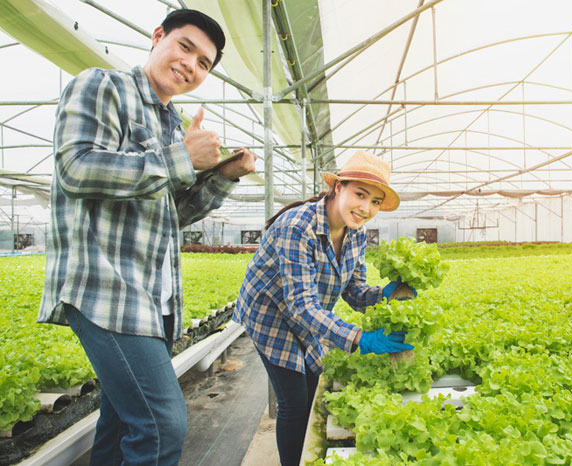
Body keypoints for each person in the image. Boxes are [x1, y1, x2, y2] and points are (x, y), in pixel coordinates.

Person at [37, 9, 256, 465]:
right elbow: (75, 169)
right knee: (162, 423)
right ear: (158, 37)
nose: (191, 65)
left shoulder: (173, 123)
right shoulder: (102, 86)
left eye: (204, 64)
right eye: (185, 47)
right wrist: (180, 157)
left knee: (120, 425)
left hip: (151, 299)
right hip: (104, 287)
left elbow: (171, 214)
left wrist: (222, 176)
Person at [234, 150, 416, 466]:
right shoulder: (298, 226)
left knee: (312, 379)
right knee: (294, 399)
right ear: (338, 187)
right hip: (269, 312)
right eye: (360, 194)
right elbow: (300, 304)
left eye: (374, 202)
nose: (366, 208)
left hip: (307, 311)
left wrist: (382, 294)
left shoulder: (355, 233)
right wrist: (361, 338)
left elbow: (354, 291)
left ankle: (306, 451)